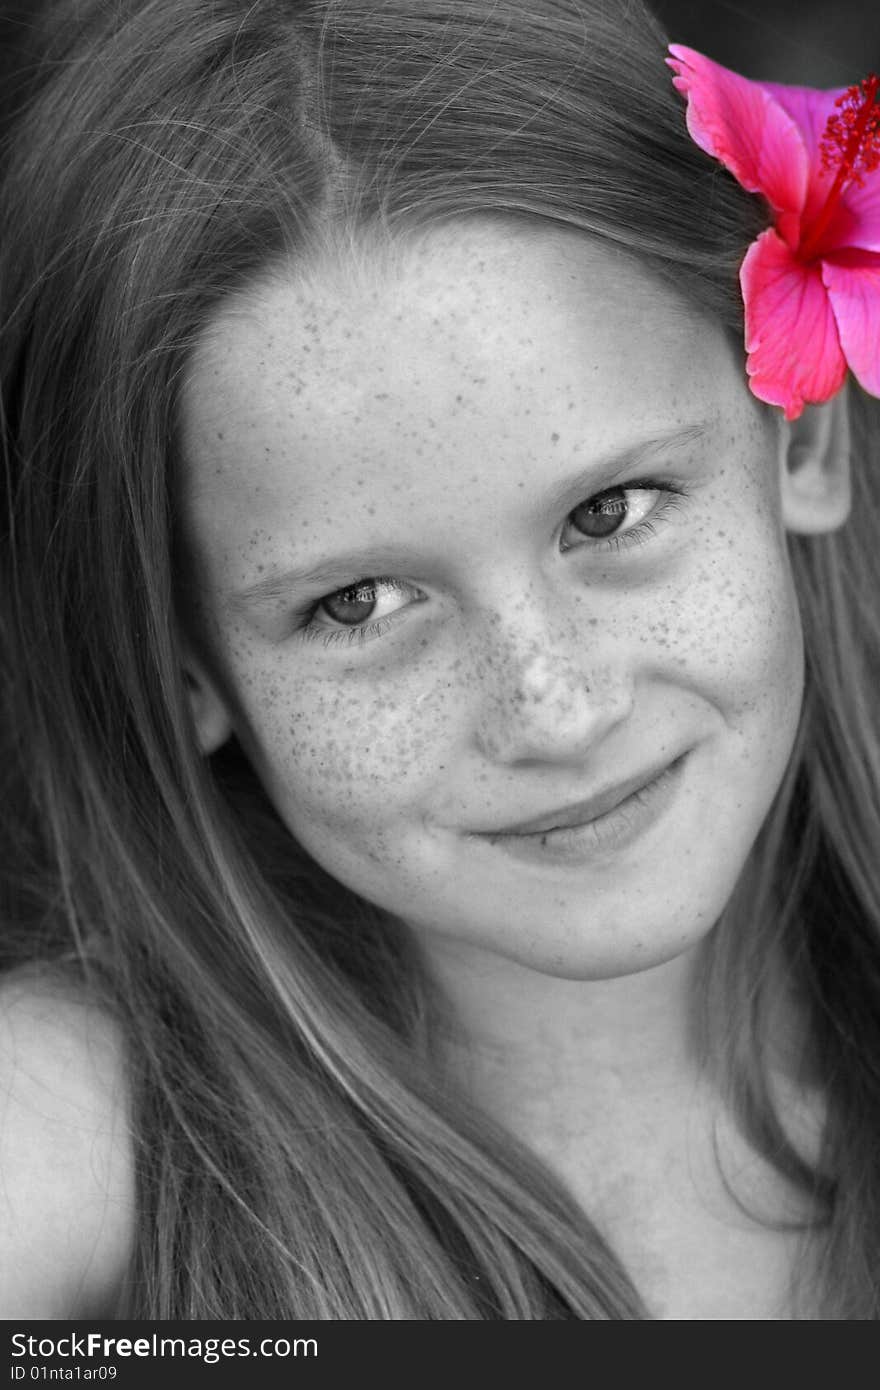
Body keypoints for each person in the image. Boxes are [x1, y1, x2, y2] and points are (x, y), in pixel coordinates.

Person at [1, 0, 878, 1322]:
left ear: (800, 444)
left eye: (613, 512)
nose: (557, 705)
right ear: (177, 664)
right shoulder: (73, 1146)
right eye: (358, 603)